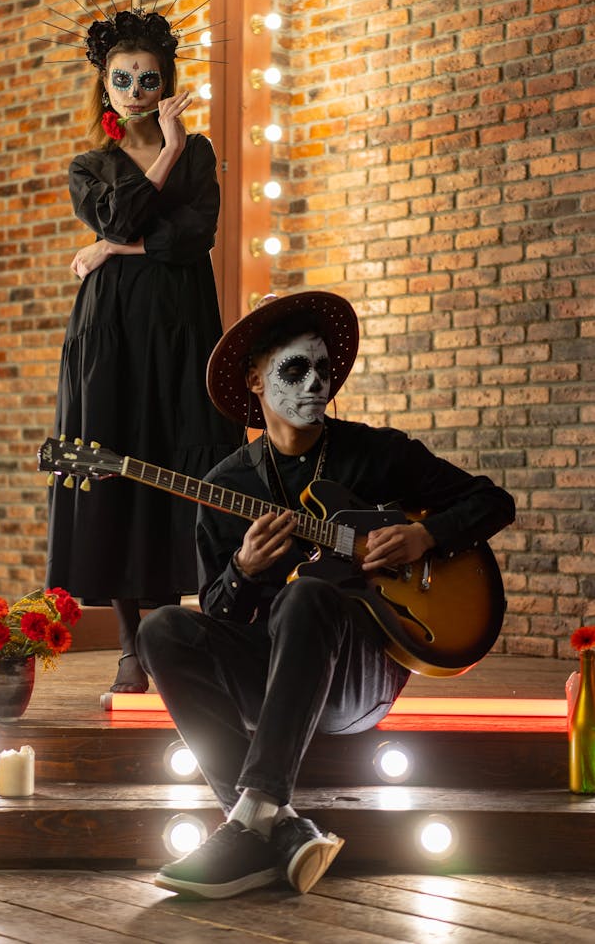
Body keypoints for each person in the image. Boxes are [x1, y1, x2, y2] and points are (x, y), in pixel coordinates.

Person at [136, 290, 516, 898]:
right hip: (269, 680)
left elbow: (493, 501)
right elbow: (216, 611)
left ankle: (247, 824)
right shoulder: (223, 487)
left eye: (323, 369)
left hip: (358, 680)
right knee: (160, 628)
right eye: (295, 369)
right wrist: (242, 570)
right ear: (256, 381)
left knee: (307, 595)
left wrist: (425, 535)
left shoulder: (376, 453)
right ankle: (273, 825)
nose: (315, 382)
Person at [46, 0, 239, 694]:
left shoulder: (201, 154)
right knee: (115, 462)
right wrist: (158, 172)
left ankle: (180, 634)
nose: (134, 92)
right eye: (121, 80)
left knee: (190, 466)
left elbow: (194, 237)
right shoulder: (89, 164)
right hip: (112, 334)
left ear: (167, 81)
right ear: (105, 84)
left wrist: (109, 249)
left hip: (184, 325)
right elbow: (125, 209)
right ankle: (132, 645)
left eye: (147, 79)